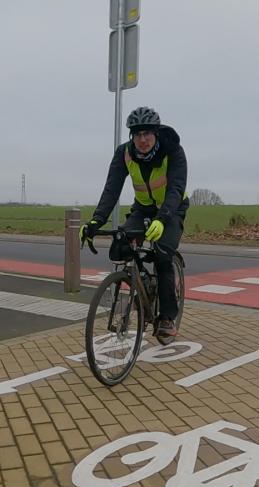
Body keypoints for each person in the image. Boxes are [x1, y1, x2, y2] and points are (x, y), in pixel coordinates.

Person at [80, 106, 190, 340]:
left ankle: (168, 317)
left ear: (156, 133)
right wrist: (95, 221)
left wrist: (162, 219)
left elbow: (176, 189)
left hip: (173, 208)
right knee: (122, 245)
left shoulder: (174, 151)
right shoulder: (124, 153)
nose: (143, 139)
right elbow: (111, 189)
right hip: (143, 208)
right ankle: (142, 283)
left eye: (147, 133)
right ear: (132, 136)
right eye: (137, 134)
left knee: (162, 255)